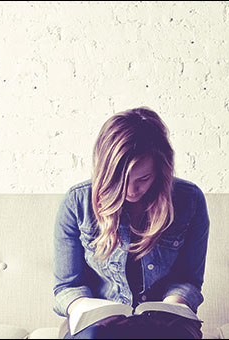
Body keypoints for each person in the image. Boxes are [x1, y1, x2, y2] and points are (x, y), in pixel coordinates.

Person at [53, 107, 210, 339]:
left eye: (143, 179)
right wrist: (84, 308)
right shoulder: (78, 202)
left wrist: (171, 307)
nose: (131, 190)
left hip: (166, 324)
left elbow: (188, 279)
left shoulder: (189, 200)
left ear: (160, 169)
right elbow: (67, 286)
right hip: (97, 324)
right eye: (120, 180)